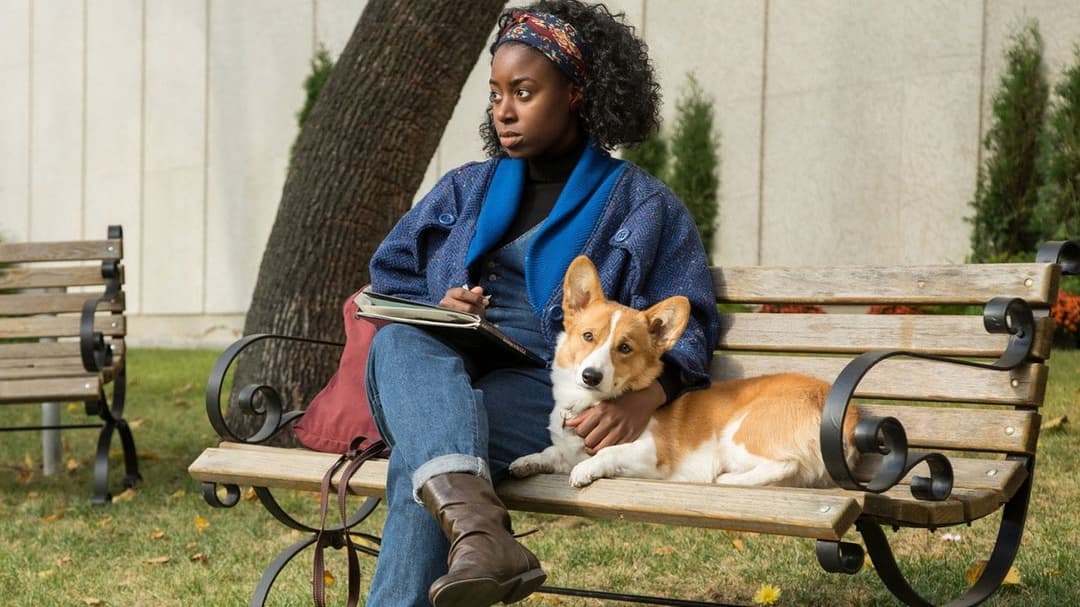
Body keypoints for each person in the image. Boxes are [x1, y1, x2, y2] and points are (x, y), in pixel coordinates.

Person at [364, 1, 719, 605]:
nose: (504, 110)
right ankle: (483, 535)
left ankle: (479, 537)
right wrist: (440, 299)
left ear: (577, 93)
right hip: (439, 376)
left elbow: (692, 322)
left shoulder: (642, 204)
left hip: (548, 390)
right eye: (497, 93)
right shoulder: (463, 188)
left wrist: (648, 396)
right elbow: (388, 276)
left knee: (425, 468)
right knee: (400, 340)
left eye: (524, 92)